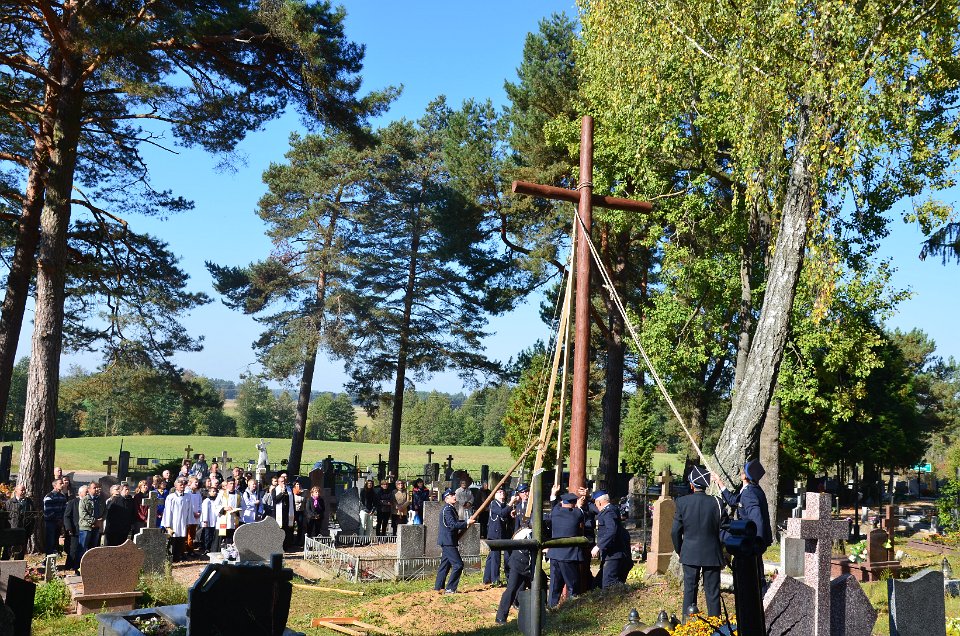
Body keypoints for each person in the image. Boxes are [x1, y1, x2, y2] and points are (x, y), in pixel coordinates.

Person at [673, 466, 726, 616]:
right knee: (713, 592)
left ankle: (688, 623)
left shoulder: (682, 502)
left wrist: (679, 550)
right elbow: (724, 528)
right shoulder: (717, 502)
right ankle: (715, 624)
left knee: (690, 589)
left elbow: (675, 531)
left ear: (692, 485)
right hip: (712, 552)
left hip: (689, 552)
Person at [715, 459, 773, 587]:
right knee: (756, 569)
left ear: (745, 476)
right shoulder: (754, 490)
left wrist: (756, 544)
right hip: (752, 539)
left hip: (750, 540)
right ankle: (760, 585)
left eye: (742, 471)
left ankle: (757, 587)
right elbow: (733, 501)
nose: (740, 473)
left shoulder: (748, 493)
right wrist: (720, 483)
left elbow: (757, 519)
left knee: (720, 532)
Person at [547, 488, 585, 608]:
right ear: (573, 504)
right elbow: (581, 513)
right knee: (573, 585)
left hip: (554, 555)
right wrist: (579, 506)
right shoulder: (576, 514)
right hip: (569, 556)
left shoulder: (555, 512)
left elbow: (554, 504)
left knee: (554, 587)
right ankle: (572, 609)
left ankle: (551, 608)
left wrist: (553, 494)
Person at [434, 488, 475, 594]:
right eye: (451, 495)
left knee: (445, 565)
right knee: (458, 565)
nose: (454, 496)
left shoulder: (450, 508)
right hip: (448, 541)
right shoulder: (447, 509)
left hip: (448, 540)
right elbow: (452, 525)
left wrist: (466, 521)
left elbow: (455, 522)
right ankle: (450, 588)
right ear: (446, 499)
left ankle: (438, 587)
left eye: (454, 494)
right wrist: (466, 523)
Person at [495, 524, 536, 625]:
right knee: (512, 589)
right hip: (518, 564)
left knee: (524, 588)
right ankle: (500, 617)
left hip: (526, 565)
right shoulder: (526, 533)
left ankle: (536, 611)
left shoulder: (525, 531)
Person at [592, 490, 633, 589]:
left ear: (599, 502)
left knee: (609, 583)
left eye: (595, 503)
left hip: (614, 554)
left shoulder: (609, 512)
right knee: (598, 584)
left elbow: (611, 530)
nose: (595, 506)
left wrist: (598, 546)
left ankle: (628, 592)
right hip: (611, 554)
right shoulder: (611, 509)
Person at [162, 478, 195, 561]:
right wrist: (168, 525)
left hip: (183, 520)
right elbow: (168, 511)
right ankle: (171, 556)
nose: (182, 486)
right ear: (176, 486)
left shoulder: (188, 496)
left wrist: (189, 521)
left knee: (181, 538)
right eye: (180, 485)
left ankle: (178, 556)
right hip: (173, 521)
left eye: (183, 485)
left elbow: (190, 509)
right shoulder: (171, 497)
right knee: (173, 538)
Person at [483, 486, 508, 585]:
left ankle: (487, 578)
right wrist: (510, 505)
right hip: (494, 534)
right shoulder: (494, 504)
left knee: (491, 557)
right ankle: (495, 579)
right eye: (499, 492)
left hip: (501, 533)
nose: (502, 493)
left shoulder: (503, 504)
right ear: (494, 495)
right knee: (496, 557)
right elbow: (501, 513)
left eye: (503, 491)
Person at [3, 483, 34, 560]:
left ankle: (19, 564)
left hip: (24, 530)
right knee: (8, 549)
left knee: (21, 549)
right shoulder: (9, 502)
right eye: (21, 490)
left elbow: (33, 515)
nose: (23, 492)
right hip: (11, 530)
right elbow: (5, 517)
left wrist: (30, 528)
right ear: (16, 491)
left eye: (24, 490)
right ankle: (4, 563)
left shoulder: (29, 502)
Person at [42, 478, 67, 555]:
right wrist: (57, 519)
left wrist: (62, 520)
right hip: (50, 522)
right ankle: (48, 557)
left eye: (62, 483)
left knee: (56, 540)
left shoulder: (62, 496)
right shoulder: (49, 496)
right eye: (60, 483)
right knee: (50, 540)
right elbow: (48, 510)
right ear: (55, 485)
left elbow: (64, 509)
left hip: (59, 522)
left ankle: (55, 555)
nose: (62, 485)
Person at [214, 478, 242, 546]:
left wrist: (237, 510)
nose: (232, 485)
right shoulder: (222, 493)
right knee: (220, 538)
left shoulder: (239, 494)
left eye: (233, 484)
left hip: (233, 518)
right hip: (223, 518)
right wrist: (224, 508)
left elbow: (243, 506)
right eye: (230, 483)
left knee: (231, 537)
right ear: (227, 484)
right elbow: (215, 505)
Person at [271, 473, 296, 548]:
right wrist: (282, 493)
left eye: (284, 481)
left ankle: (286, 545)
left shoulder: (289, 489)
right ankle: (279, 546)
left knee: (287, 530)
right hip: (278, 514)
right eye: (281, 481)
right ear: (278, 482)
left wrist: (294, 512)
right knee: (279, 530)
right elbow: (275, 500)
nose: (283, 483)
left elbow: (292, 501)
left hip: (288, 513)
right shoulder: (275, 490)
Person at [63, 485, 84, 573]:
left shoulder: (89, 503)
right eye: (86, 492)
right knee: (73, 549)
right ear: (80, 493)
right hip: (75, 529)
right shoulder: (73, 502)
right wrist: (69, 528)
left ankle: (79, 565)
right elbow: (67, 516)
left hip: (85, 529)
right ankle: (69, 565)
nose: (87, 494)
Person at [199, 486, 218, 554]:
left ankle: (211, 547)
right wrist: (205, 520)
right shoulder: (207, 501)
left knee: (213, 535)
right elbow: (205, 511)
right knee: (207, 535)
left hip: (214, 520)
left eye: (215, 491)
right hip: (208, 520)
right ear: (209, 492)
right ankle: (206, 548)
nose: (214, 493)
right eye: (213, 491)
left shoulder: (216, 500)